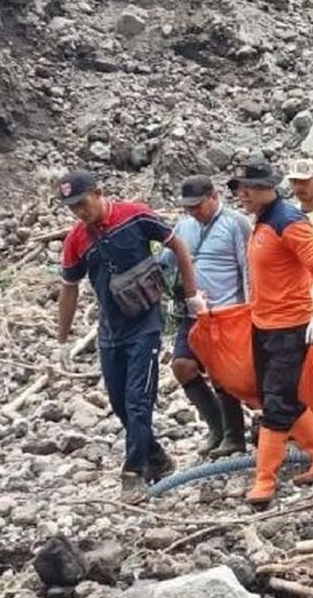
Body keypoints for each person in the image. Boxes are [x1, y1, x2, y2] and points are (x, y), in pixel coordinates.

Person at [55, 170, 201, 503]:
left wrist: (191, 293)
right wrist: (62, 341)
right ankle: (157, 457)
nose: (79, 212)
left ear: (99, 192)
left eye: (82, 203)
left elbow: (176, 244)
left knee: (138, 400)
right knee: (120, 402)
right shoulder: (77, 240)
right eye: (71, 207)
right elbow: (69, 288)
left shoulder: (134, 215)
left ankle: (133, 472)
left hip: (145, 325)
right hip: (109, 330)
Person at [230, 157, 313, 506]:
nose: (242, 194)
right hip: (264, 324)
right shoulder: (263, 221)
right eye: (239, 188)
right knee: (277, 395)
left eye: (248, 188)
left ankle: (264, 480)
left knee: (276, 401)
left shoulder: (289, 222)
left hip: (290, 327)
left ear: (268, 188)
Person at [158, 176, 252, 458]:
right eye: (188, 207)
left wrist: (250, 310)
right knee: (182, 366)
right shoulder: (184, 226)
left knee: (223, 373)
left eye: (197, 206)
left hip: (227, 312)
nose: (193, 212)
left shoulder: (236, 223)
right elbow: (166, 260)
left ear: (213, 197)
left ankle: (235, 436)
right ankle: (217, 427)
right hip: (192, 311)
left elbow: (247, 268)